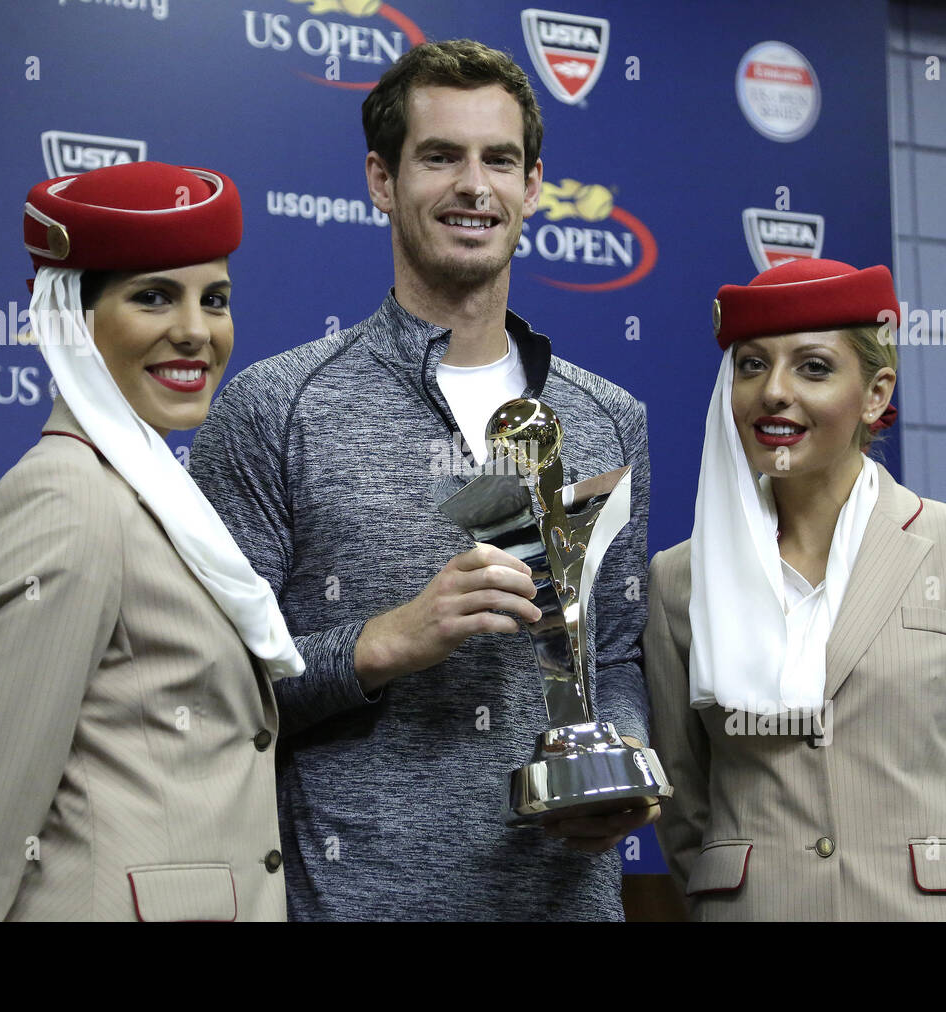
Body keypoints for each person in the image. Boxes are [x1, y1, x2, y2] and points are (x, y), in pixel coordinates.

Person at [191, 39, 656, 921]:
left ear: (531, 184)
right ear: (381, 180)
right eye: (440, 156)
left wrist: (618, 758)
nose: (474, 186)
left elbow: (620, 651)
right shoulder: (274, 407)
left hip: (567, 902)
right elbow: (211, 688)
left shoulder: (609, 417)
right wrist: (383, 643)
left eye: (499, 160)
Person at [0, 161, 304, 921]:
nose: (195, 330)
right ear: (68, 319)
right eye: (152, 296)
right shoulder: (67, 496)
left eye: (214, 300)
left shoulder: (153, 490)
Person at [644, 258, 946, 921]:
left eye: (813, 367)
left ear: (875, 394)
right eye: (752, 366)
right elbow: (685, 803)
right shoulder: (678, 580)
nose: (774, 392)